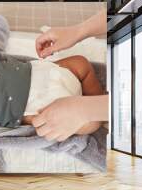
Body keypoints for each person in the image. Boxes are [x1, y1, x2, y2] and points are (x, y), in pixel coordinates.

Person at [33, 9, 109, 142]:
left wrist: (83, 109)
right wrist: (79, 31)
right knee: (80, 64)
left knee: (80, 65)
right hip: (37, 103)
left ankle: (96, 108)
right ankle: (96, 108)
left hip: (48, 98)